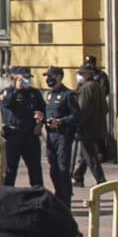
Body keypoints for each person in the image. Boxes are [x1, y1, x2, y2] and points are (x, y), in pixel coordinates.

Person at [0, 66, 46, 189]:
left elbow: (43, 110)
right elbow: (7, 104)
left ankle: (37, 196)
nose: (26, 81)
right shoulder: (6, 92)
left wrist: (40, 123)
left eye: (28, 78)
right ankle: (7, 196)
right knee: (10, 169)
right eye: (23, 78)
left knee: (35, 168)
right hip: (14, 135)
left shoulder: (34, 93)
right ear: (13, 78)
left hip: (31, 135)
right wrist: (16, 90)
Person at [42, 68, 77, 206]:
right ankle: (58, 193)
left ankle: (66, 199)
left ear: (59, 77)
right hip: (51, 136)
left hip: (63, 135)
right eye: (47, 76)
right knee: (53, 168)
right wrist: (42, 118)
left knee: (63, 167)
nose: (49, 79)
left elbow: (76, 116)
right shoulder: (48, 95)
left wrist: (61, 121)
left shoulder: (68, 95)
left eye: (51, 76)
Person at [71, 63, 110, 187]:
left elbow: (83, 108)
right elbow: (106, 108)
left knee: (89, 154)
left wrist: (78, 123)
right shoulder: (97, 86)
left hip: (88, 127)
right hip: (97, 125)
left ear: (88, 74)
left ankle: (100, 179)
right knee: (85, 154)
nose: (79, 76)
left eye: (81, 74)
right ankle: (78, 177)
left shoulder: (87, 88)